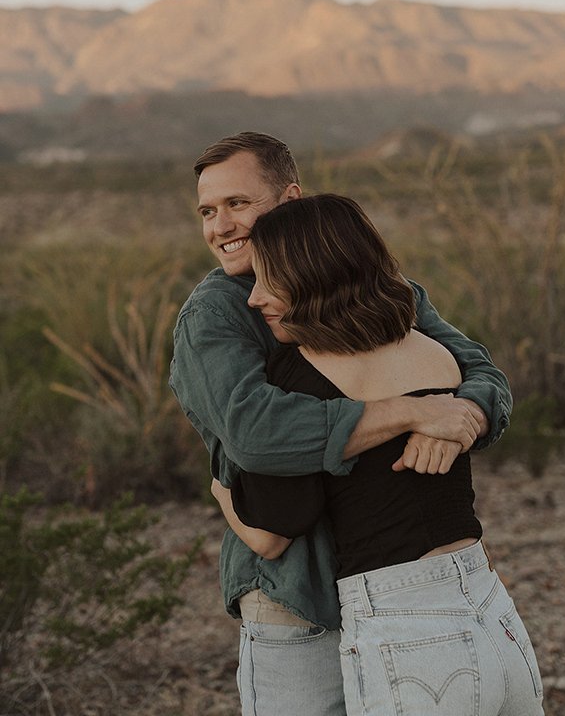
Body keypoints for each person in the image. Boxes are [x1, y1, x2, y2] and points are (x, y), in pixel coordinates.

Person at [169, 132, 512, 716]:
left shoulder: (378, 290)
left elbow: (479, 371)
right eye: (207, 211)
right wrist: (412, 408)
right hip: (297, 588)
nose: (221, 226)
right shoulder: (216, 314)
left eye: (238, 204)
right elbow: (257, 433)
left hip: (401, 582)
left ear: (291, 198)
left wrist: (463, 415)